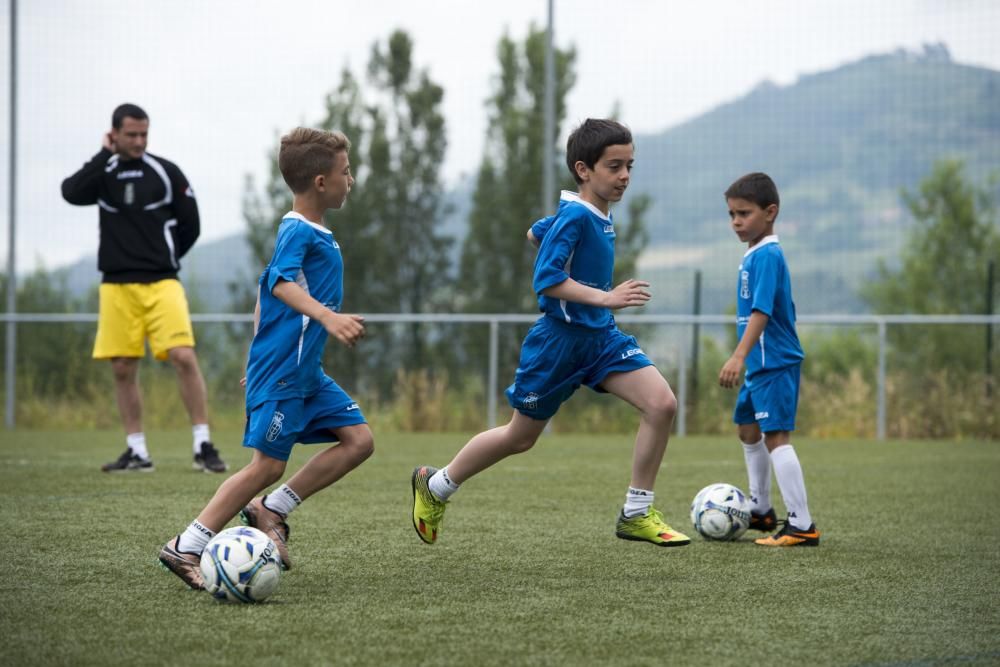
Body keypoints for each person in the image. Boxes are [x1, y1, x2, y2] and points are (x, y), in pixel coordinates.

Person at [411, 118, 690, 548]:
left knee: (662, 403)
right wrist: (605, 297)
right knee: (519, 437)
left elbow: (535, 233)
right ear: (584, 169)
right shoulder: (578, 216)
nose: (624, 176)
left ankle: (636, 511)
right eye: (614, 166)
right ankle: (437, 486)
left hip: (601, 341)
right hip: (557, 344)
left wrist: (558, 242)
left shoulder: (586, 214)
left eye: (629, 166)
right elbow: (546, 279)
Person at [159, 127, 373, 589]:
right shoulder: (297, 229)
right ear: (321, 182)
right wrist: (328, 319)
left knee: (358, 440)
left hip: (304, 373)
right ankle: (187, 545)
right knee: (266, 465)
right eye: (345, 171)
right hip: (283, 373)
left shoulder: (313, 230)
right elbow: (278, 282)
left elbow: (263, 294)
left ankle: (271, 508)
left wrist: (253, 355)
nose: (350, 180)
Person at [61, 103, 226, 474]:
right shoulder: (103, 174)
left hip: (162, 282)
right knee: (122, 367)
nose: (138, 141)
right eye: (131, 134)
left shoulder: (166, 172)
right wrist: (103, 154)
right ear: (114, 133)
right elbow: (71, 192)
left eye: (144, 134)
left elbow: (191, 226)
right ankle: (137, 451)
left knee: (183, 356)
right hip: (116, 287)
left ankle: (203, 444)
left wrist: (164, 257)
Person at [718, 172, 820, 547]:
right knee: (748, 427)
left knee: (776, 437)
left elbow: (761, 311)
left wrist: (737, 356)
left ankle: (802, 525)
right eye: (731, 214)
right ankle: (761, 510)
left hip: (773, 361)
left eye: (744, 213)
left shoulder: (768, 256)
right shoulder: (754, 253)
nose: (736, 222)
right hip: (760, 365)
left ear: (770, 212)